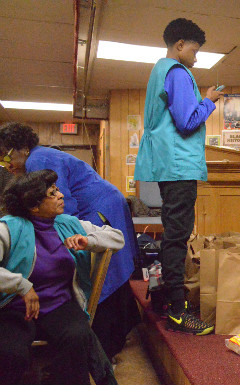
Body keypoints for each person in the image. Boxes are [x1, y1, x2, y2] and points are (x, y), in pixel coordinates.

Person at [0, 122, 140, 359]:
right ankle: (115, 335)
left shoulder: (38, 160)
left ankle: (105, 345)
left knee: (99, 276)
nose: (6, 163)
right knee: (107, 276)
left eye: (7, 155)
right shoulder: (40, 157)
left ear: (22, 148)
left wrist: (66, 234)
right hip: (104, 204)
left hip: (98, 209)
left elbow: (62, 206)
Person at [134, 18, 223, 334]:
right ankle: (177, 310)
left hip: (166, 166)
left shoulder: (159, 72)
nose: (197, 58)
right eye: (195, 51)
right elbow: (187, 122)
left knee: (169, 234)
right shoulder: (177, 72)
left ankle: (160, 298)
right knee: (177, 237)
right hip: (179, 166)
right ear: (180, 45)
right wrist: (209, 102)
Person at [0, 169, 124, 385]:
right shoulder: (9, 228)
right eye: (52, 193)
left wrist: (89, 241)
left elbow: (116, 237)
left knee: (76, 338)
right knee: (11, 353)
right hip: (15, 308)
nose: (61, 195)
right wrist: (21, 286)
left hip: (59, 305)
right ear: (33, 206)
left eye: (57, 190)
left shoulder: (67, 223)